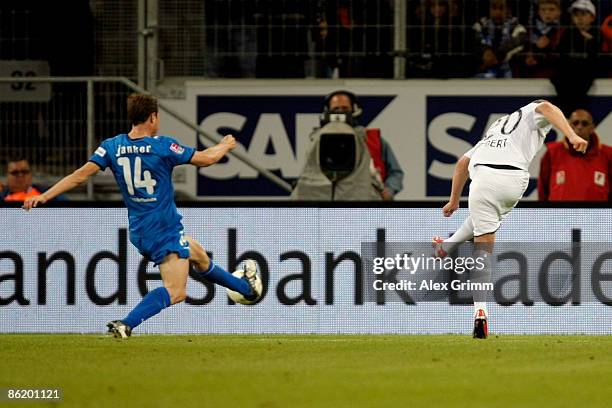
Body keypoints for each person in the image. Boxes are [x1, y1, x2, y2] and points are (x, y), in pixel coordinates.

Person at [23, 93, 263, 338]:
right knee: (176, 291)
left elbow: (79, 176)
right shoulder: (163, 146)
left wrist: (44, 196)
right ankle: (126, 324)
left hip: (139, 230)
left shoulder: (111, 146)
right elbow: (207, 159)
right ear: (153, 117)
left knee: (197, 253)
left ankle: (246, 289)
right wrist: (225, 144)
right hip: (163, 228)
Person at [432, 100, 588, 339]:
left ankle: (480, 312)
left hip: (485, 176)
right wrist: (570, 134)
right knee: (487, 218)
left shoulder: (496, 130)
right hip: (516, 181)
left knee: (483, 246)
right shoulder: (524, 117)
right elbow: (547, 107)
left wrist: (454, 201)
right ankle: (447, 246)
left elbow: (463, 163)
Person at [325, 90, 404, 200]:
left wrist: (389, 190)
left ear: (354, 110)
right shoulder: (319, 143)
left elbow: (396, 173)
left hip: (369, 207)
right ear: (328, 112)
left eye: (345, 108)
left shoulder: (374, 140)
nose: (340, 113)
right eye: (335, 109)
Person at [538, 108, 612, 201]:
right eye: (575, 123)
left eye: (584, 123)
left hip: (597, 215)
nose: (580, 127)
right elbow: (543, 190)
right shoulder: (553, 152)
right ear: (569, 126)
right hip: (560, 215)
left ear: (592, 127)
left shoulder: (608, 154)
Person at [551, 0, 600, 114]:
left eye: (583, 14)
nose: (579, 18)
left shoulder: (597, 34)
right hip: (567, 79)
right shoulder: (568, 34)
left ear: (592, 17)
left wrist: (590, 42)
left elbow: (597, 60)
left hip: (585, 78)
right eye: (576, 15)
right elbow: (561, 58)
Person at [473, 0, 528, 78]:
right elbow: (476, 41)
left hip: (509, 72)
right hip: (482, 72)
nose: (497, 12)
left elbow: (519, 41)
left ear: (508, 10)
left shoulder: (516, 26)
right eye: (494, 8)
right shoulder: (481, 25)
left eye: (502, 8)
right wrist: (485, 51)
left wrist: (496, 55)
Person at [522, 0, 562, 78]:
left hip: (555, 76)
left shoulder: (562, 31)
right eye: (543, 10)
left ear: (559, 12)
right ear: (538, 12)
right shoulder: (530, 31)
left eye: (551, 9)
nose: (547, 13)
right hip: (534, 77)